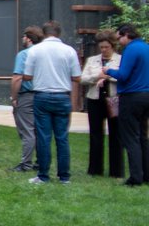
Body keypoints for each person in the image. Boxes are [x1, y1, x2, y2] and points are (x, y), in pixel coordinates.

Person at [21, 21, 81, 184]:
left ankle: (43, 175)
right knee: (62, 137)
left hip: (42, 95)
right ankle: (64, 176)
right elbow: (76, 77)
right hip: (62, 96)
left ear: (44, 33)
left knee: (43, 136)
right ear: (59, 33)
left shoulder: (34, 50)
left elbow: (26, 76)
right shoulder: (69, 51)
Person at [99, 24, 149, 187]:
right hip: (146, 96)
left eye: (120, 37)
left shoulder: (131, 49)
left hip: (131, 97)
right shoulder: (145, 47)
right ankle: (146, 173)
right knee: (142, 136)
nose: (119, 41)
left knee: (130, 137)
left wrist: (108, 71)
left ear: (127, 34)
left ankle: (135, 177)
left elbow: (124, 75)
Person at [80, 30, 122, 178]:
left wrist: (109, 76)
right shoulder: (92, 60)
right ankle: (95, 169)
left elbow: (124, 77)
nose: (104, 50)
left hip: (113, 99)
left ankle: (116, 171)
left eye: (106, 47)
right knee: (95, 134)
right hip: (95, 100)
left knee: (116, 134)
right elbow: (83, 79)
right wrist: (96, 76)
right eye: (101, 47)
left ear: (113, 46)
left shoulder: (121, 59)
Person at [9, 26, 44, 172]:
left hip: (27, 95)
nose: (22, 39)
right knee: (39, 131)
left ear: (29, 38)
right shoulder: (44, 53)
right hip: (43, 95)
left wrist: (14, 97)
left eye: (24, 37)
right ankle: (41, 161)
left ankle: (26, 164)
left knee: (27, 131)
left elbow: (17, 77)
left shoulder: (23, 54)